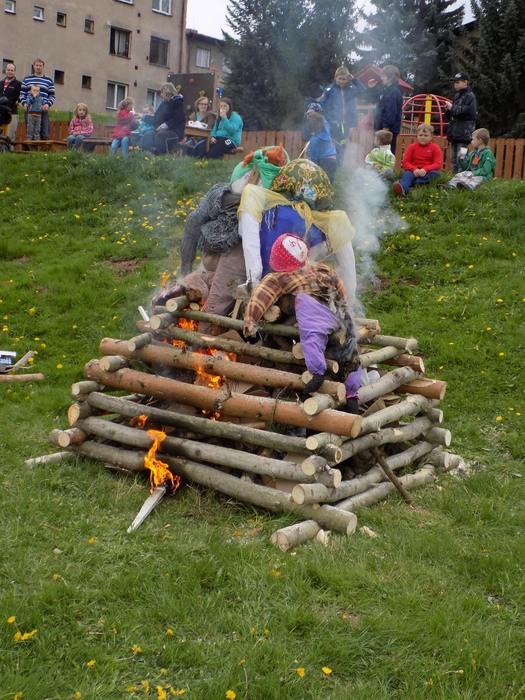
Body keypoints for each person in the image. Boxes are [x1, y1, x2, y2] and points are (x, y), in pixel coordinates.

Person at [243, 234, 361, 414]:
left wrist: (250, 321)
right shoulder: (322, 269)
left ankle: (317, 372)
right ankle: (352, 393)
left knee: (312, 334)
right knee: (349, 345)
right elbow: (339, 285)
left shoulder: (278, 278)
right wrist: (345, 307)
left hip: (316, 312)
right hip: (337, 311)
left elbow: (261, 296)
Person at [320, 66, 367, 165]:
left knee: (342, 146)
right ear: (335, 77)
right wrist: (326, 119)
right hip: (333, 123)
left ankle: (339, 166)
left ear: (347, 79)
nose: (341, 81)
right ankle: (329, 165)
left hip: (346, 123)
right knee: (330, 145)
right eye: (339, 79)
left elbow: (364, 91)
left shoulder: (351, 89)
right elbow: (323, 105)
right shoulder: (329, 89)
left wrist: (354, 80)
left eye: (344, 79)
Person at [393, 123, 443, 196]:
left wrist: (425, 169)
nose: (423, 137)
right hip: (413, 171)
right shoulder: (412, 147)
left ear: (431, 136)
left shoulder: (435, 148)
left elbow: (437, 164)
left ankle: (413, 184)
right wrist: (414, 169)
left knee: (436, 174)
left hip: (427, 172)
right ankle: (403, 188)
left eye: (426, 135)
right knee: (407, 175)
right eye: (420, 135)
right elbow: (405, 162)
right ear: (417, 135)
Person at [139, 82, 186, 155]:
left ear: (167, 92)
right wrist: (143, 116)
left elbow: (177, 118)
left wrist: (164, 126)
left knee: (160, 136)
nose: (161, 94)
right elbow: (156, 118)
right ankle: (149, 156)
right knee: (147, 136)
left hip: (175, 132)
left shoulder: (178, 103)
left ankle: (160, 157)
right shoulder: (163, 104)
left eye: (162, 92)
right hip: (162, 131)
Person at [445, 72, 477, 174]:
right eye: (454, 82)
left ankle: (461, 178)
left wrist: (452, 108)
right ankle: (454, 178)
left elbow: (469, 112)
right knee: (453, 160)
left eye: (458, 82)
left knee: (462, 159)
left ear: (465, 82)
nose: (455, 84)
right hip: (454, 134)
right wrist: (448, 110)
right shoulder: (457, 96)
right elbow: (453, 114)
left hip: (463, 134)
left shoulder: (470, 96)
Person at [368, 65, 403, 154]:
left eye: (383, 76)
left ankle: (386, 164)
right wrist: (372, 89)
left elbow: (391, 110)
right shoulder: (384, 90)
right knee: (377, 150)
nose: (381, 78)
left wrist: (386, 126)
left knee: (386, 152)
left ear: (390, 78)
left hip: (387, 129)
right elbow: (374, 99)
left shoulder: (394, 92)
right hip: (380, 126)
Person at [20, 58, 55, 140]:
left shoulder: (49, 80)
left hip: (42, 109)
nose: (38, 67)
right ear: (33, 66)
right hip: (30, 109)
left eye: (40, 65)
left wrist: (47, 104)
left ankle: (43, 147)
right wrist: (24, 103)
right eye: (37, 65)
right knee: (30, 131)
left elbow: (52, 96)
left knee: (45, 132)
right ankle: (30, 147)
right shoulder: (27, 79)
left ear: (43, 67)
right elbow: (22, 94)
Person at [304, 108, 338, 183]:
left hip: (324, 163)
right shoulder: (326, 131)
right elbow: (323, 121)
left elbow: (314, 160)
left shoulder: (314, 140)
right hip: (333, 161)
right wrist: (314, 113)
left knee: (321, 183)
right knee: (329, 184)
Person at [0, 63, 22, 141]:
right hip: (1, 114)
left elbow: (24, 95)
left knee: (10, 136)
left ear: (14, 71)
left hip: (12, 113)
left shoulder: (18, 84)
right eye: (8, 70)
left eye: (12, 70)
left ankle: (10, 148)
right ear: (5, 71)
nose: (10, 72)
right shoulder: (1, 83)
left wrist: (18, 100)